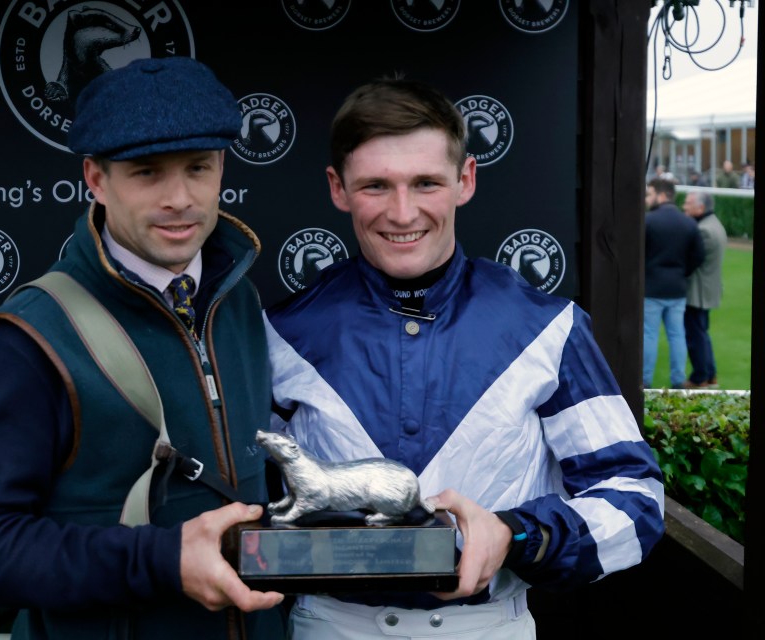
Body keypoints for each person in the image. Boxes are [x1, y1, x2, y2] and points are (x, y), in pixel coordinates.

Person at [263, 77, 666, 639]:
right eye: (376, 185)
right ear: (338, 188)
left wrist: (518, 534)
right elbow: (236, 506)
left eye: (426, 182)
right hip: (328, 624)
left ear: (466, 180)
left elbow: (636, 500)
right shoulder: (283, 332)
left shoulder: (547, 327)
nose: (403, 213)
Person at [0, 57, 287, 640]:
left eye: (199, 167)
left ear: (222, 165)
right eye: (147, 173)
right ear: (96, 179)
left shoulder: (238, 299)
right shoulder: (28, 337)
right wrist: (162, 561)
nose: (181, 197)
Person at [643, 178, 705, 389]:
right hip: (677, 287)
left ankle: (645, 381)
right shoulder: (688, 223)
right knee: (677, 335)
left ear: (661, 195)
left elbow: (636, 255)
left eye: (649, 194)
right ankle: (678, 380)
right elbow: (699, 255)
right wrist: (682, 272)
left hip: (652, 288)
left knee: (650, 335)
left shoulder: (648, 221)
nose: (647, 199)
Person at [682, 191, 728, 389]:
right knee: (702, 334)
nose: (684, 207)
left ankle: (700, 377)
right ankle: (710, 375)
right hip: (707, 290)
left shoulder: (704, 230)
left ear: (700, 208)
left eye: (688, 203)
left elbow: (693, 259)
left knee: (696, 336)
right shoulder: (714, 224)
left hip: (698, 292)